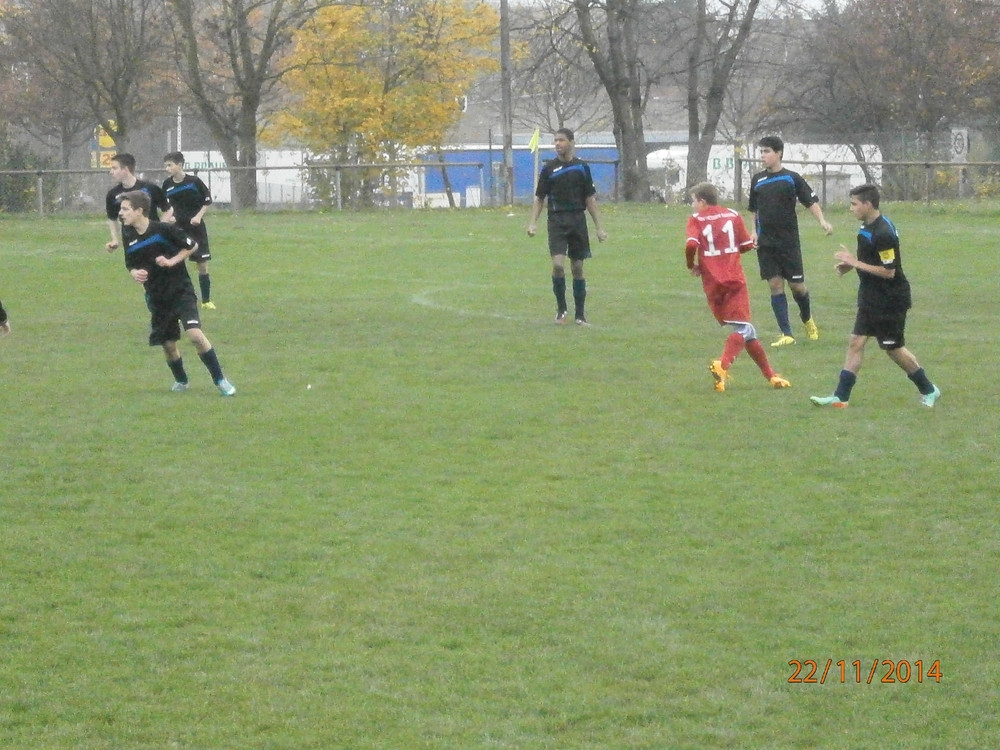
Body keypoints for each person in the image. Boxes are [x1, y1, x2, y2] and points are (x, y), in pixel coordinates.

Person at [810, 183, 940, 409]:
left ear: (868, 204)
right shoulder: (866, 227)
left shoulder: (884, 233)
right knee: (856, 342)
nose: (851, 208)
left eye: (854, 204)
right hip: (871, 297)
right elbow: (871, 261)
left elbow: (889, 272)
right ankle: (840, 397)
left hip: (890, 299)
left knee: (893, 349)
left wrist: (854, 262)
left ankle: (929, 389)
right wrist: (850, 266)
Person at [116, 189, 236, 396]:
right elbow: (130, 263)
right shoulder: (128, 235)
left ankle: (221, 380)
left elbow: (191, 245)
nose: (121, 213)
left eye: (125, 209)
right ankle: (181, 380)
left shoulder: (163, 230)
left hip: (180, 290)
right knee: (168, 345)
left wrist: (171, 261)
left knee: (195, 335)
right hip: (156, 296)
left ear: (139, 210)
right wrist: (135, 273)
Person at [685, 182, 791, 392]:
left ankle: (771, 376)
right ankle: (722, 365)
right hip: (734, 279)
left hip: (712, 283)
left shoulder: (696, 220)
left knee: (747, 330)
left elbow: (691, 245)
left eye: (693, 201)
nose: (693, 206)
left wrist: (692, 265)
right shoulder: (733, 215)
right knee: (744, 328)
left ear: (702, 201)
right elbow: (744, 246)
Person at [748, 135, 833, 346]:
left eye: (766, 151)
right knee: (775, 284)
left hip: (788, 242)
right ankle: (786, 334)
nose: (763, 156)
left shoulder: (791, 178)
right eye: (761, 152)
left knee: (797, 286)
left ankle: (807, 319)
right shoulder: (757, 180)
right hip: (766, 242)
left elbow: (810, 201)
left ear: (778, 153)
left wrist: (822, 221)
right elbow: (754, 209)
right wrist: (753, 231)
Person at [527, 128, 607, 325]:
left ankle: (580, 315)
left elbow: (590, 198)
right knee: (557, 265)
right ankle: (561, 310)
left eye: (561, 140)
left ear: (571, 142)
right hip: (556, 221)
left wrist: (599, 227)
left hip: (577, 221)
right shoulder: (548, 169)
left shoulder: (582, 167)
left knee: (578, 268)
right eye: (555, 141)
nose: (557, 144)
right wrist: (533, 223)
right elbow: (539, 198)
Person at [163, 151, 216, 309]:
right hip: (178, 229)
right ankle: (179, 302)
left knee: (202, 264)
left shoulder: (194, 181)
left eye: (170, 165)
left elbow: (207, 200)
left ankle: (206, 301)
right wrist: (170, 217)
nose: (167, 168)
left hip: (196, 228)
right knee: (177, 265)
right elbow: (166, 206)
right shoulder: (167, 185)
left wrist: (198, 216)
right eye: (166, 165)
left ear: (180, 165)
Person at [105, 153, 170, 253]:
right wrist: (115, 240)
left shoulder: (150, 188)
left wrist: (159, 228)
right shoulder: (113, 194)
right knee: (136, 268)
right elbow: (112, 218)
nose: (111, 172)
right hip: (130, 239)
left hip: (155, 239)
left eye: (114, 168)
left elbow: (168, 210)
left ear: (125, 170)